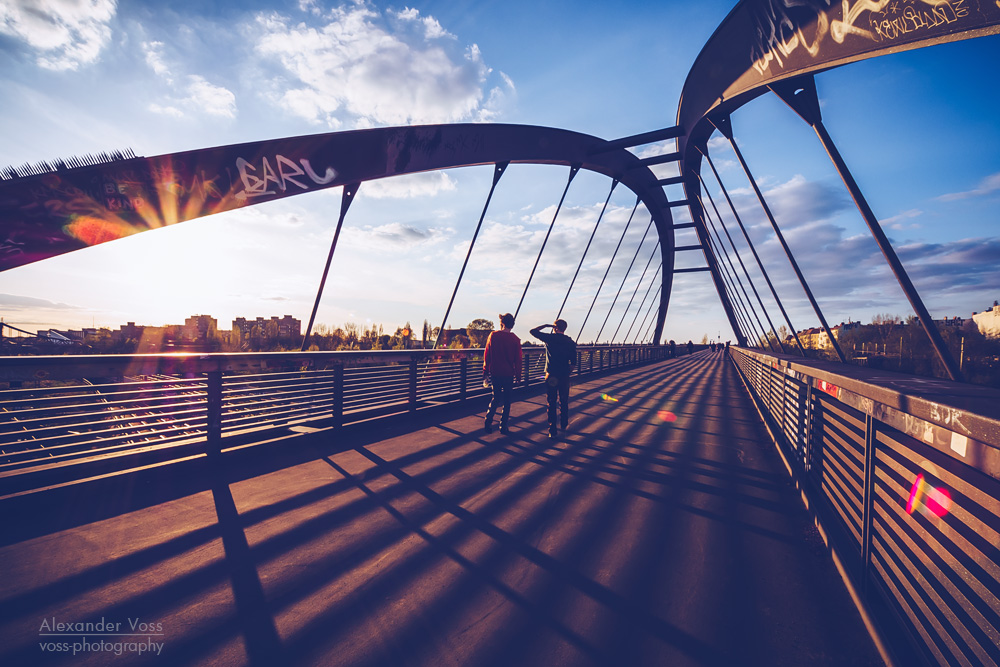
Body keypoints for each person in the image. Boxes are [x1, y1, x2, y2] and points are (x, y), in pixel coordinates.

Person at [530, 319, 577, 438]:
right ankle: (564, 423)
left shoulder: (550, 338)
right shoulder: (570, 342)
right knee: (564, 399)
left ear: (555, 328)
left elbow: (533, 331)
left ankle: (552, 429)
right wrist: (567, 372)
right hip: (564, 375)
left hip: (551, 375)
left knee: (551, 401)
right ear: (565, 328)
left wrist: (545, 325)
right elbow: (573, 363)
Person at [483, 313, 522, 434]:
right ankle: (503, 426)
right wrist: (518, 376)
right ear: (512, 325)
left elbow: (487, 354)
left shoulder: (493, 336)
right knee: (507, 401)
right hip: (508, 374)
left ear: (502, 323)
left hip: (495, 372)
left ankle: (488, 420)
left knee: (495, 397)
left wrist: (485, 372)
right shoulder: (515, 339)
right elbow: (518, 360)